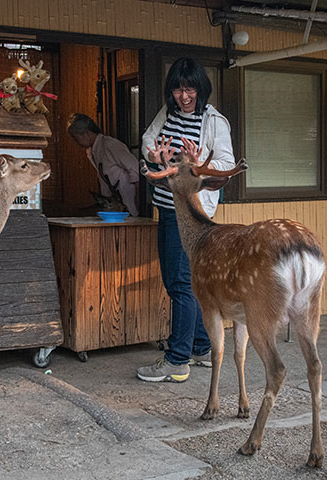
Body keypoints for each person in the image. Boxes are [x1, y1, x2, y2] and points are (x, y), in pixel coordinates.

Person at [136, 57, 235, 383]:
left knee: (180, 284)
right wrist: (155, 155)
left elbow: (225, 165)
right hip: (166, 208)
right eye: (178, 89)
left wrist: (197, 163)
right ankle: (201, 347)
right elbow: (149, 142)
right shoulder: (168, 114)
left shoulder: (214, 122)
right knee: (183, 282)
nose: (184, 96)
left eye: (189, 88)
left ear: (200, 88)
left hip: (193, 215)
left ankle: (177, 359)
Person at [67, 113, 139, 216]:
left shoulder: (111, 145)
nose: (75, 142)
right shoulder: (92, 151)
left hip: (128, 202)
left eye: (75, 138)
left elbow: (135, 168)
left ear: (86, 133)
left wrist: (137, 200)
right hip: (113, 206)